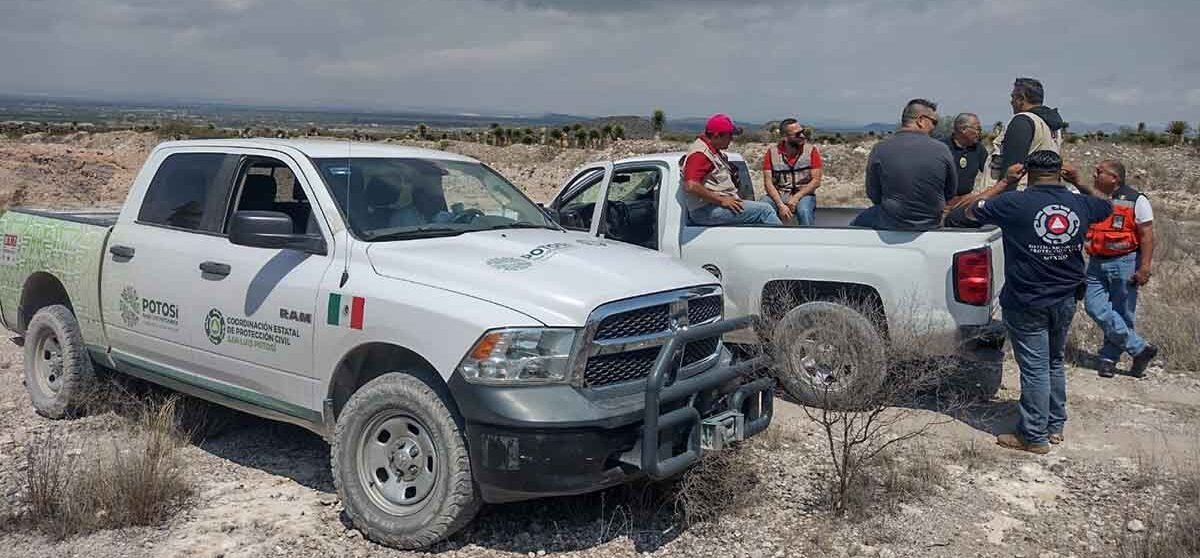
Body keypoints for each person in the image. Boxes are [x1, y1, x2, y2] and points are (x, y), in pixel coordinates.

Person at [964, 151, 1112, 453]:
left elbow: (968, 213)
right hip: (1066, 296)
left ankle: (1033, 436)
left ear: (1027, 172)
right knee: (1053, 360)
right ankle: (1054, 424)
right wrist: (1081, 183)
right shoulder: (1080, 202)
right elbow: (1107, 206)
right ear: (1061, 172)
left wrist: (1005, 182)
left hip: (1026, 298)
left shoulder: (1012, 202)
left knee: (1034, 367)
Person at [1063, 160, 1159, 378]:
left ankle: (1108, 359)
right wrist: (1076, 183)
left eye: (1100, 172)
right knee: (1094, 306)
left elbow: (1147, 235)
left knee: (1123, 312)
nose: (1095, 175)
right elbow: (1093, 200)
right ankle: (1139, 348)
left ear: (1114, 178)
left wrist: (1144, 267)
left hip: (1125, 262)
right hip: (1096, 262)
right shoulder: (1097, 198)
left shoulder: (1137, 200)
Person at [850, 99, 956, 231]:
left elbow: (873, 193)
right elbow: (950, 191)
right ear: (921, 120)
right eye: (934, 122)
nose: (934, 127)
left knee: (853, 227)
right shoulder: (942, 149)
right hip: (930, 221)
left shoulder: (880, 149)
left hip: (890, 221)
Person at [683, 114, 782, 226]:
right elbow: (691, 185)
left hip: (713, 206)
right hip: (706, 210)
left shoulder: (713, 152)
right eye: (729, 135)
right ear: (716, 136)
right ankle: (784, 242)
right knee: (765, 211)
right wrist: (721, 200)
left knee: (758, 210)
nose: (731, 139)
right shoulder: (700, 154)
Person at [988, 77, 1067, 188]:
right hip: (1042, 191)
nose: (1011, 101)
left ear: (1021, 99)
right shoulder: (1053, 127)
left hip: (1019, 193)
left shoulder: (1022, 121)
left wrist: (1002, 199)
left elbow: (1012, 169)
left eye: (1013, 97)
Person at [762, 119, 823, 225]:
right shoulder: (772, 153)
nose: (803, 136)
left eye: (803, 132)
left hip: (803, 194)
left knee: (804, 211)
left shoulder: (811, 151)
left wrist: (796, 197)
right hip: (780, 193)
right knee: (762, 207)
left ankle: (808, 238)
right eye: (798, 134)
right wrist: (780, 205)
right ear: (785, 137)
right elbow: (768, 183)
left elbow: (816, 181)